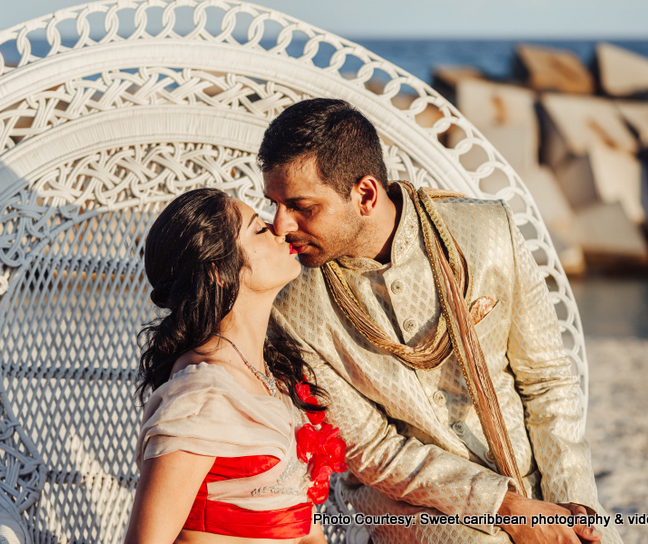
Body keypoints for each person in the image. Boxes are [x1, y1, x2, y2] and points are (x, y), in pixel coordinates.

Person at [259, 98, 622, 544]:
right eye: (274, 204)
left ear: (366, 195)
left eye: (301, 206)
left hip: (535, 478)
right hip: (411, 507)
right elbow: (374, 451)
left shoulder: (487, 233)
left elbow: (547, 382)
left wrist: (574, 508)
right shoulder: (293, 309)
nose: (280, 225)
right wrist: (506, 509)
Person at [124, 188, 342, 544]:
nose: (280, 231)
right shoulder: (202, 398)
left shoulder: (277, 377)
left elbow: (304, 526)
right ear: (217, 271)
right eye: (259, 230)